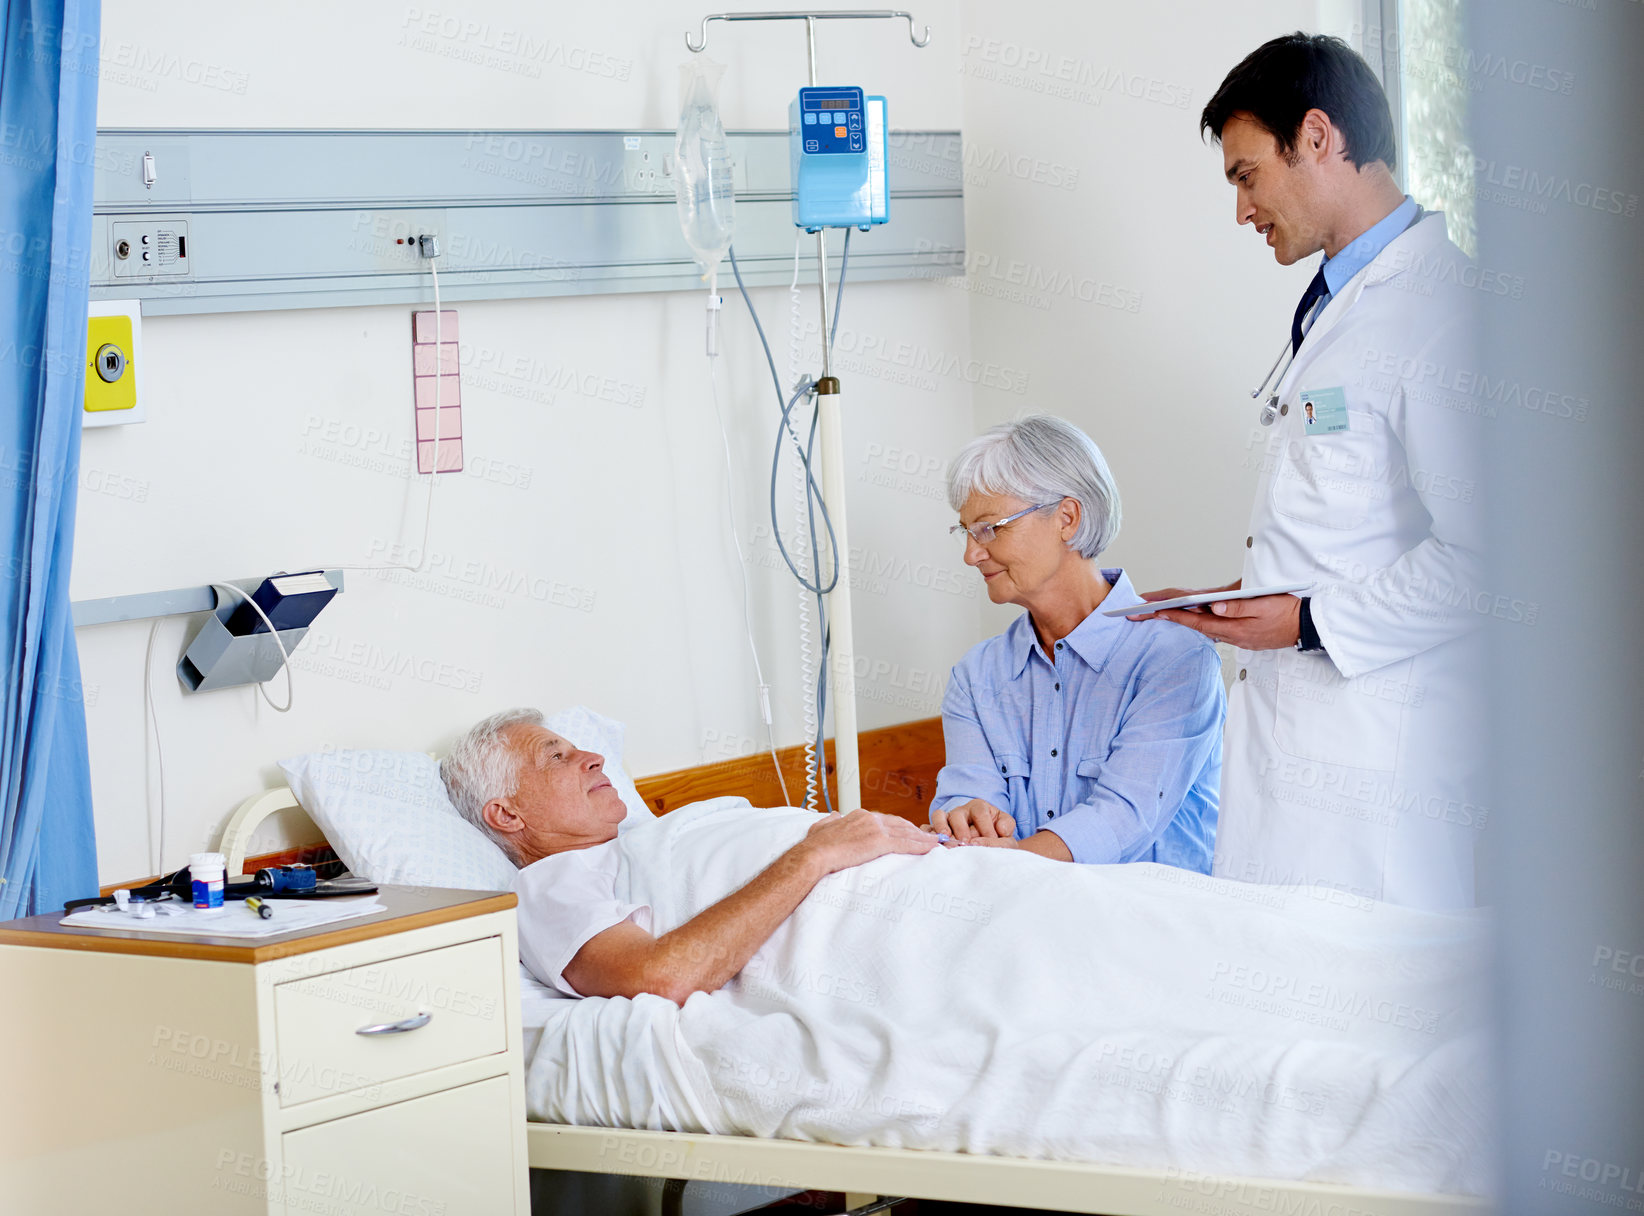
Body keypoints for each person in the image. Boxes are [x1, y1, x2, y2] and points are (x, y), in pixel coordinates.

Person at [1131, 33, 1486, 909]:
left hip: (1376, 774)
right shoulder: (1342, 304)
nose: (1243, 209)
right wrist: (1257, 596)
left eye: (1247, 175)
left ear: (1319, 137)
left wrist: (1308, 620)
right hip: (1298, 759)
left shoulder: (1441, 310)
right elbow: (1348, 527)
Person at [439, 708, 936, 1002]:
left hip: (917, 881)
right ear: (506, 815)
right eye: (556, 757)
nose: (594, 758)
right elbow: (659, 977)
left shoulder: (644, 844)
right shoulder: (548, 886)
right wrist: (813, 854)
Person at [929, 415, 1224, 871]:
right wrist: (967, 816)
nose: (971, 553)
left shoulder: (1176, 659)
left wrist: (1011, 860)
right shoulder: (976, 675)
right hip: (1021, 919)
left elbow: (1123, 818)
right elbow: (967, 797)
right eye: (965, 531)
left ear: (1067, 518)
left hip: (1152, 930)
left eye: (990, 528)